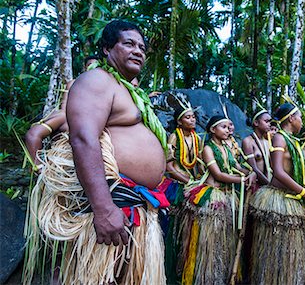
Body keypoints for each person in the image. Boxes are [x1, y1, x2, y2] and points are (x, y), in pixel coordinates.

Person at [23, 20, 167, 284]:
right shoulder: (97, 80)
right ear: (106, 49)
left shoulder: (127, 90)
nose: (138, 51)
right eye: (128, 44)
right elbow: (82, 138)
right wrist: (103, 209)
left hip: (134, 205)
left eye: (142, 48)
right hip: (111, 205)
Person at [250, 103, 305, 284]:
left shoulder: (294, 141)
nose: (301, 121)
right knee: (276, 252)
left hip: (293, 197)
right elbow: (278, 172)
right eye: (299, 117)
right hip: (279, 198)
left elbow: (298, 171)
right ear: (291, 118)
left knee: (291, 254)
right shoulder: (279, 139)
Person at [180, 115, 256, 285]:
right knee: (210, 241)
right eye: (223, 127)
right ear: (212, 130)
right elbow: (218, 174)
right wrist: (242, 180)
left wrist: (250, 173)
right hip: (213, 195)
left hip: (227, 197)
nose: (228, 130)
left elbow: (237, 168)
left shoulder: (228, 149)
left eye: (228, 127)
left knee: (225, 240)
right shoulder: (208, 148)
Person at [25, 56, 100, 167]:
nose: (93, 69)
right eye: (90, 65)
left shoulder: (105, 89)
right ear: (84, 68)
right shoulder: (74, 85)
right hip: (60, 164)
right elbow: (32, 135)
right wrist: (38, 167)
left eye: (96, 66)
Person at [163, 105, 203, 283]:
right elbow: (169, 167)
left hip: (193, 183)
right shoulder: (174, 137)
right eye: (188, 117)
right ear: (179, 121)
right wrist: (187, 181)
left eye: (193, 117)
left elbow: (199, 164)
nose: (192, 120)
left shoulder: (197, 138)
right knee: (174, 228)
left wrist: (201, 179)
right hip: (177, 185)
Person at [242, 108, 273, 187]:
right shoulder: (248, 141)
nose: (269, 124)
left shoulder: (268, 142)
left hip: (268, 184)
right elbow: (254, 168)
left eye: (270, 122)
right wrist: (269, 185)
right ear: (256, 122)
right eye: (266, 121)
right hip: (254, 185)